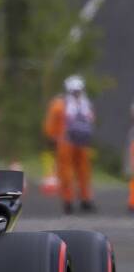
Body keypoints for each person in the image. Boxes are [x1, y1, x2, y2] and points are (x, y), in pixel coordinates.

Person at [44, 75, 96, 214]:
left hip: (67, 142)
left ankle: (72, 201)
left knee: (72, 172)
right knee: (79, 172)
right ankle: (80, 200)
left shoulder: (60, 104)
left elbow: (51, 124)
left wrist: (51, 137)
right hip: (77, 143)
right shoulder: (85, 104)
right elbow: (91, 121)